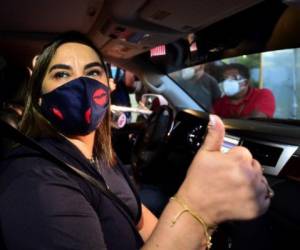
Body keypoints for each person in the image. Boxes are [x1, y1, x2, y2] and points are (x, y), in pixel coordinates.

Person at [0, 32, 272, 250]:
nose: (81, 84)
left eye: (93, 72)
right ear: (39, 97)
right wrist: (196, 209)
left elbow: (138, 219)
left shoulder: (101, 155)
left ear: (109, 86)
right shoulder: (36, 180)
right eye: (61, 74)